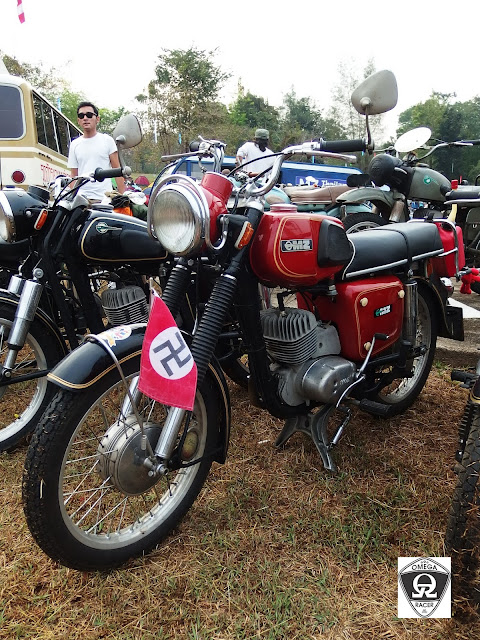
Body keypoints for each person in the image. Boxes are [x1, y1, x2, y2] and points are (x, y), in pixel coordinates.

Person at [67, 101, 125, 202]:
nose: (85, 118)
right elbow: (73, 175)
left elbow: (117, 170)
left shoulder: (107, 140)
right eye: (81, 116)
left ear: (97, 119)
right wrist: (73, 197)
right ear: (78, 120)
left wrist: (122, 197)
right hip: (81, 200)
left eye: (89, 115)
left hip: (104, 200)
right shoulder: (74, 144)